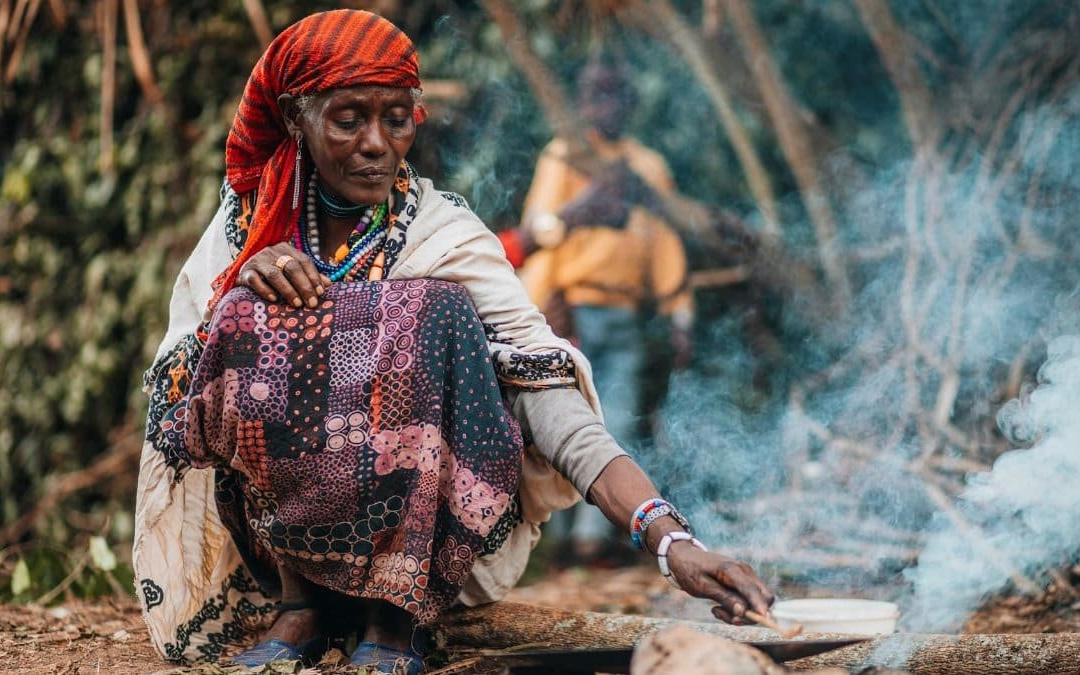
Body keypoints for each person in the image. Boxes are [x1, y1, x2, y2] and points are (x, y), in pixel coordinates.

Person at [133, 10, 770, 674]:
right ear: (297, 116)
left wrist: (672, 542)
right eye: (348, 119)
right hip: (278, 543)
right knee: (242, 313)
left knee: (429, 311)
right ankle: (304, 606)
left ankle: (395, 613)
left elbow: (547, 394)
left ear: (416, 116)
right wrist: (246, 283)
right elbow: (184, 404)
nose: (377, 143)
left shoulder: (444, 235)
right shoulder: (248, 226)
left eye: (397, 118)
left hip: (425, 548)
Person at [503, 57, 695, 563]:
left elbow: (665, 243)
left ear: (631, 103)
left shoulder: (647, 167)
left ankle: (591, 539)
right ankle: (559, 540)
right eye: (595, 95)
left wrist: (680, 313)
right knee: (560, 422)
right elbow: (540, 231)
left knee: (619, 420)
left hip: (624, 313)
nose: (604, 105)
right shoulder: (567, 155)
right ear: (581, 102)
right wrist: (535, 310)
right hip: (569, 312)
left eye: (615, 95)